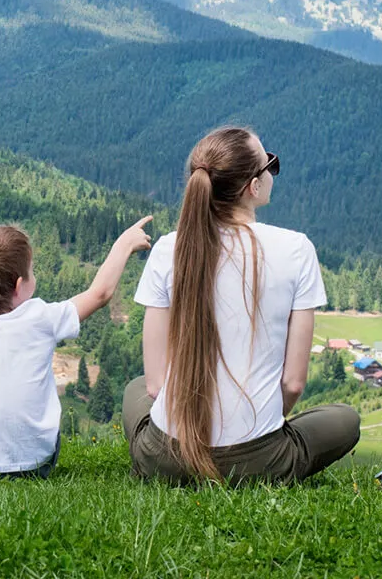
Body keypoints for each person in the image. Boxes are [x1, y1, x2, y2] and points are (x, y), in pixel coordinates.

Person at [122, 126, 360, 484]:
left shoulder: (168, 249)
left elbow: (156, 385)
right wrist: (257, 431)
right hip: (259, 460)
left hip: (167, 458)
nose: (272, 173)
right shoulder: (296, 250)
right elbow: (293, 383)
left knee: (135, 389)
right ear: (253, 186)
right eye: (270, 166)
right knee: (346, 420)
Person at [0, 217, 152, 477]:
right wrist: (124, 244)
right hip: (34, 466)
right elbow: (99, 294)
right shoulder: (42, 317)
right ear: (19, 286)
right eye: (32, 270)